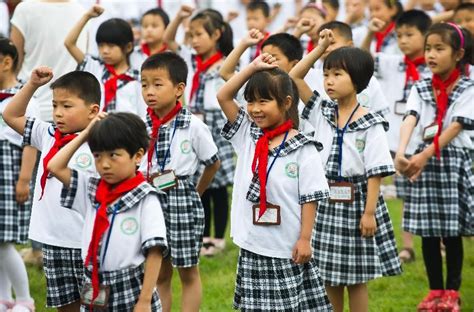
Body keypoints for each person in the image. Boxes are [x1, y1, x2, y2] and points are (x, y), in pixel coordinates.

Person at [290, 31, 402, 312]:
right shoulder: (322, 111)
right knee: (327, 273)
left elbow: (375, 171)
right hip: (326, 199)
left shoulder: (371, 122)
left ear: (359, 81)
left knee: (356, 278)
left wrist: (369, 213)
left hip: (357, 201)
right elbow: (295, 76)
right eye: (327, 74)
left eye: (337, 74)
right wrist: (321, 48)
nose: (328, 81)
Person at [216, 52, 333, 311]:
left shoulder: (304, 147)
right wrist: (252, 68)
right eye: (250, 101)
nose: (255, 109)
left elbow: (310, 197)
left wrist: (305, 239)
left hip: (286, 247)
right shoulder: (249, 134)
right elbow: (223, 95)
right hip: (253, 243)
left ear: (286, 102)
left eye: (264, 101)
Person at [47, 112, 168, 311]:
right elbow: (55, 166)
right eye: (97, 156)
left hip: (130, 287)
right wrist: (87, 133)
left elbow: (155, 251)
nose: (104, 164)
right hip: (93, 284)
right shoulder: (91, 188)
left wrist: (145, 300)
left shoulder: (146, 198)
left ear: (137, 156)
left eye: (113, 155)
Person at [3, 68, 100, 312]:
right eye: (55, 105)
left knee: (96, 305)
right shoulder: (47, 134)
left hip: (87, 242)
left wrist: (88, 134)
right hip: (54, 241)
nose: (58, 113)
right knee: (65, 306)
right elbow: (10, 114)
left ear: (93, 111)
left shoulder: (102, 144)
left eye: (67, 106)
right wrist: (33, 84)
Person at [395, 22, 473, 311]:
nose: (431, 54)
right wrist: (402, 152)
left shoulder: (468, 86)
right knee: (427, 231)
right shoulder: (420, 85)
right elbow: (410, 117)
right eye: (429, 48)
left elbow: (456, 126)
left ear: (458, 54)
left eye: (440, 48)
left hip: (449, 161)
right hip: (421, 160)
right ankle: (434, 289)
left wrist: (424, 155)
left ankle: (452, 291)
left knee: (450, 231)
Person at [141, 52, 220, 312]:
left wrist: (196, 191)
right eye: (144, 84)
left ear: (179, 89)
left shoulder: (193, 125)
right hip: (150, 198)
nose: (149, 91)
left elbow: (212, 162)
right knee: (158, 271)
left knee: (187, 270)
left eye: (157, 84)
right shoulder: (143, 124)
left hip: (182, 198)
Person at [164, 7, 235, 257]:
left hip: (217, 122)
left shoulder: (227, 61)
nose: (193, 40)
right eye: (190, 35)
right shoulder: (189, 59)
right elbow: (169, 40)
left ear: (216, 34)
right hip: (194, 121)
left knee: (219, 183)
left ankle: (218, 237)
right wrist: (179, 17)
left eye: (198, 34)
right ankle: (203, 234)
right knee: (199, 177)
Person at [374, 9, 432, 263]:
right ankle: (406, 246)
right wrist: (371, 34)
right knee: (402, 195)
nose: (403, 40)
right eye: (399, 35)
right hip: (393, 140)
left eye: (410, 34)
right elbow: (364, 58)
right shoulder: (393, 62)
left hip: (423, 141)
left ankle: (439, 240)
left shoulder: (433, 68)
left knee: (427, 194)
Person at [0, 37, 38, 312]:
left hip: (11, 170)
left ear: (6, 61)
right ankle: (4, 298)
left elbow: (30, 141)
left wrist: (24, 179)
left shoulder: (22, 97)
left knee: (3, 242)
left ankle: (24, 299)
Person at [10, 0, 87, 121]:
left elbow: (13, 62)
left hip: (28, 108)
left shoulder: (25, 8)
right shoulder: (82, 11)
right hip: (72, 111)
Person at [64, 5, 147, 118]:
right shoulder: (95, 67)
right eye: (101, 46)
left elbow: (143, 113)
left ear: (128, 47)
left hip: (128, 132)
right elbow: (69, 43)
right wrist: (87, 17)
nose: (105, 51)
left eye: (111, 46)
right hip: (97, 132)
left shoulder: (137, 78)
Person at [305, 21, 390, 116]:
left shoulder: (369, 80)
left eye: (331, 43)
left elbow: (382, 115)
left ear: (350, 45)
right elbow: (294, 74)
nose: (326, 48)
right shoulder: (311, 75)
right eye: (321, 43)